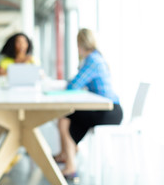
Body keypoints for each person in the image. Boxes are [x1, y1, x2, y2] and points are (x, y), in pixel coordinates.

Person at [53, 28, 123, 179]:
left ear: (80, 44)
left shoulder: (92, 60)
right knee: (70, 116)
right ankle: (67, 153)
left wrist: (70, 82)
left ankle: (70, 163)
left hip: (108, 111)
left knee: (65, 117)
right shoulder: (97, 57)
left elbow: (73, 86)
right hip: (110, 109)